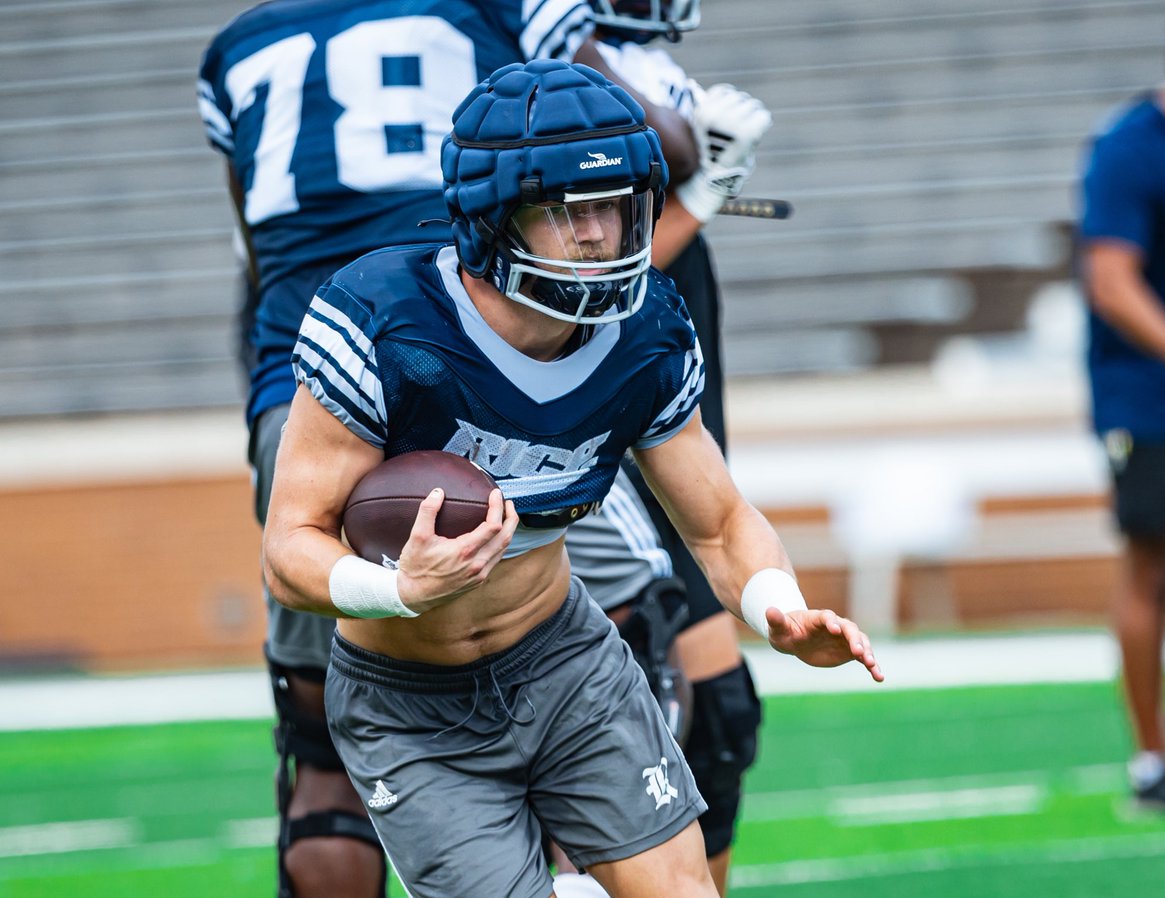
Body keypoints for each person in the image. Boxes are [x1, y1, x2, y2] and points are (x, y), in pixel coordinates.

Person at [262, 59, 884, 898]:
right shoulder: (387, 322)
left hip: (565, 660)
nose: (598, 234)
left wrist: (778, 606)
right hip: (409, 703)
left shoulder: (646, 332)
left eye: (614, 206)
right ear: (493, 216)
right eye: (566, 209)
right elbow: (288, 549)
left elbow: (719, 522)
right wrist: (398, 589)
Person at [197, 3, 701, 896]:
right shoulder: (489, 8)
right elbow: (638, 142)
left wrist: (279, 385)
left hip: (305, 366)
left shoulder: (238, 46)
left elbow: (253, 253)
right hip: (467, 330)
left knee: (321, 760)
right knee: (644, 635)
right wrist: (699, 154)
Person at [555, 3, 774, 894]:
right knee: (622, 726)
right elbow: (577, 280)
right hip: (602, 433)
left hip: (665, 416)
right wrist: (702, 192)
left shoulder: (626, 56)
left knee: (713, 721)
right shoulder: (548, 60)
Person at [1078, 0, 1165, 810]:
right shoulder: (1131, 148)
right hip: (1149, 396)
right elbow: (1111, 282)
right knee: (1154, 560)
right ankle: (1152, 757)